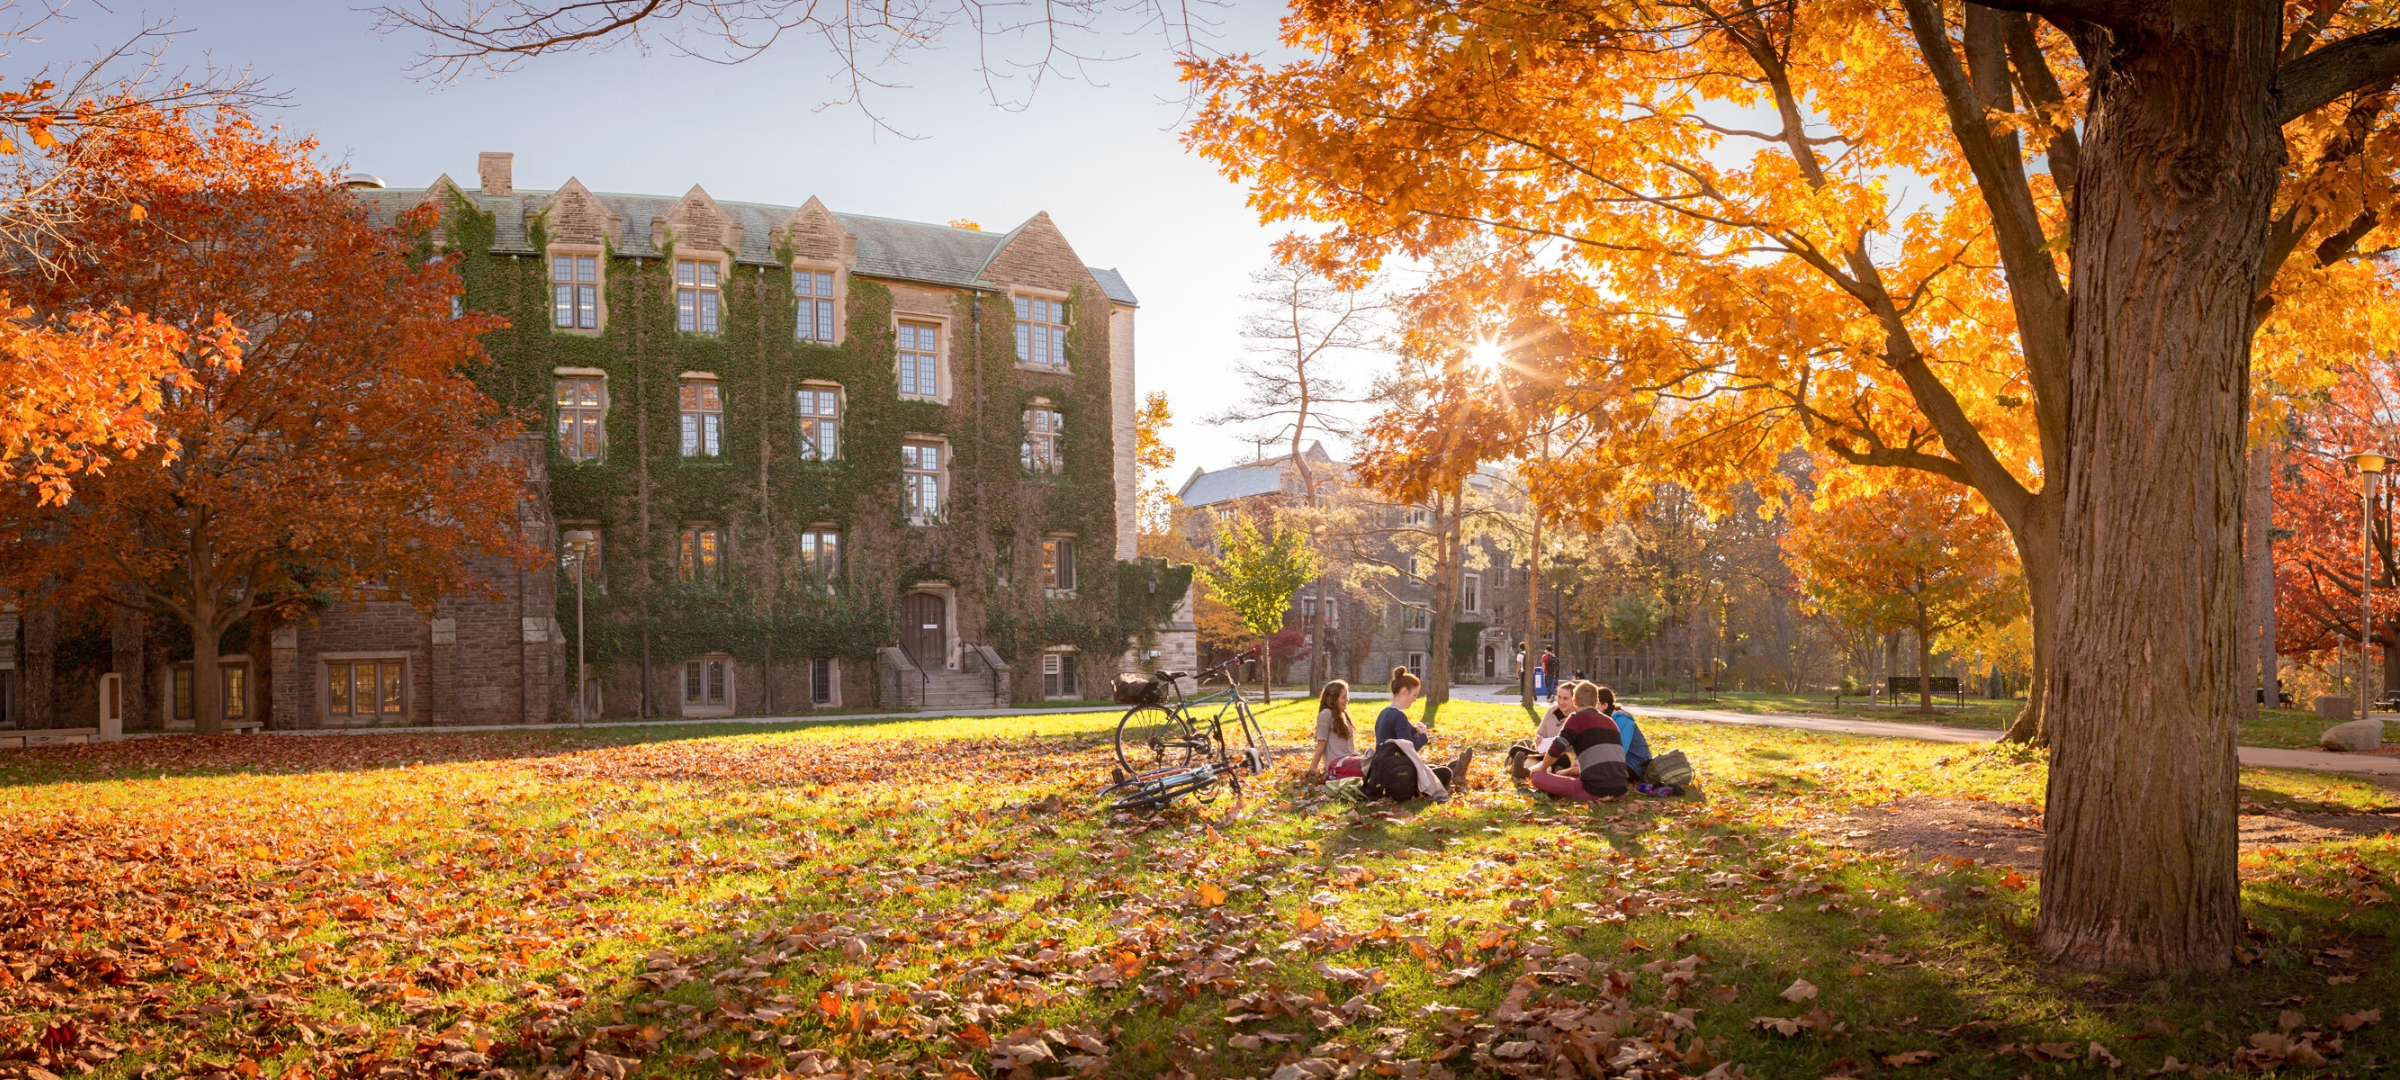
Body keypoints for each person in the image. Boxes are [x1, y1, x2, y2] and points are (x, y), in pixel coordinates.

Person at [1525, 681, 1631, 802]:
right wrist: (1568, 772)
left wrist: (1542, 767)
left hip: (1594, 790)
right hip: (1619, 788)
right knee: (1568, 774)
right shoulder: (1610, 722)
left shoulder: (1575, 718)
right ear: (1596, 702)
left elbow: (1556, 748)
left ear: (1574, 702)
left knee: (1537, 777)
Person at [1375, 666, 1475, 790]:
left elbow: (1404, 737)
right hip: (1398, 773)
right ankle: (1454, 771)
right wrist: (1423, 736)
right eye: (1415, 694)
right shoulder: (1399, 716)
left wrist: (1416, 731)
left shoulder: (1384, 713)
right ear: (1404, 691)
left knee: (1430, 767)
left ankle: (1453, 766)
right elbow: (1410, 749)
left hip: (1385, 769)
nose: (1415, 699)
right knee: (1444, 773)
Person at [1308, 679, 1362, 779]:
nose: (1347, 700)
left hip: (1349, 760)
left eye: (1347, 696)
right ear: (1333, 699)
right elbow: (1321, 746)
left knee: (1377, 760)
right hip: (1336, 765)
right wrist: (1311, 772)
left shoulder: (1344, 715)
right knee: (1370, 764)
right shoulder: (1326, 714)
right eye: (1343, 697)